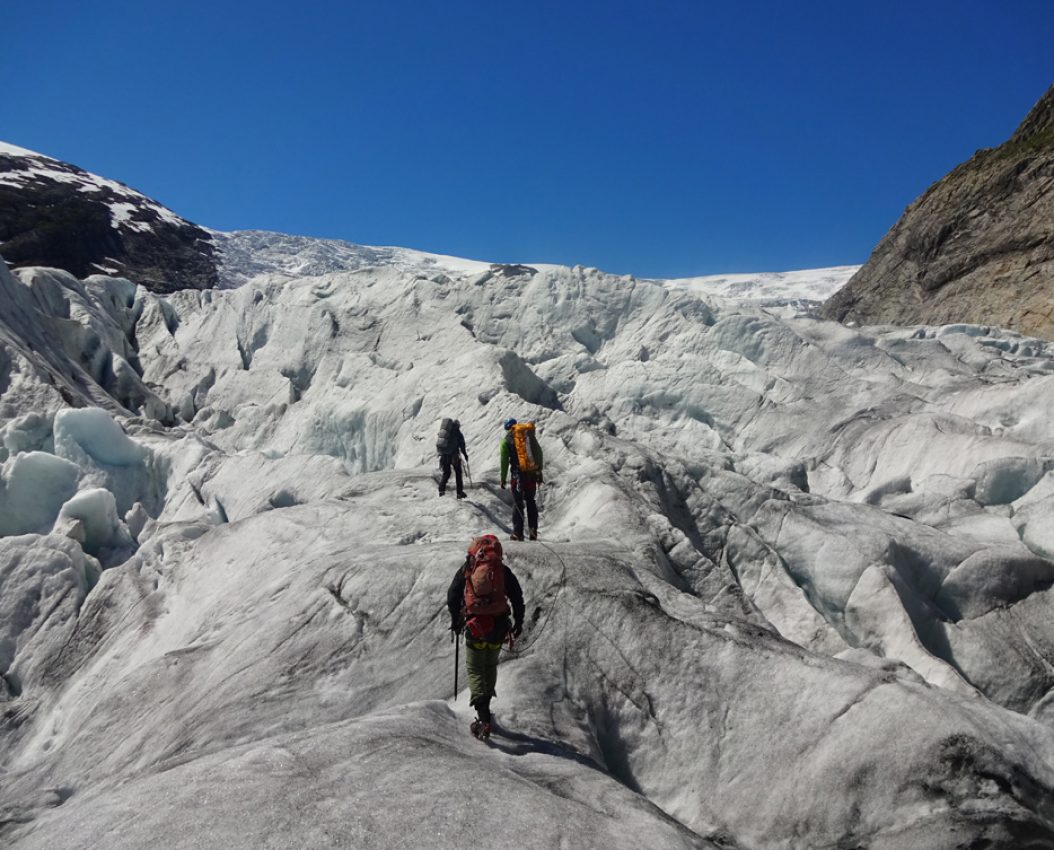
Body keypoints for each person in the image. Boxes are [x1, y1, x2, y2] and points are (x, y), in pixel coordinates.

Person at [447, 534, 524, 739]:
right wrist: (519, 622)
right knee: (489, 667)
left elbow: (453, 595)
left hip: (475, 628)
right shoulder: (502, 571)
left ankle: (483, 720)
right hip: (498, 629)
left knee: (475, 670)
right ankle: (485, 712)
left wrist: (456, 619)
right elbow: (517, 597)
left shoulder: (468, 568)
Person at [499, 418, 543, 541]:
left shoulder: (506, 441)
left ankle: (518, 533)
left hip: (517, 475)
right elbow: (539, 453)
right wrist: (539, 471)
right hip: (531, 474)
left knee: (518, 503)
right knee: (530, 501)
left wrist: (503, 478)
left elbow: (504, 461)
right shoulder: (528, 437)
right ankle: (533, 530)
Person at [436, 417, 468, 498]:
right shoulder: (457, 432)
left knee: (446, 473)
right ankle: (459, 493)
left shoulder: (445, 432)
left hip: (443, 455)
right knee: (458, 473)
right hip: (453, 455)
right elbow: (462, 444)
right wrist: (465, 454)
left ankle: (441, 490)